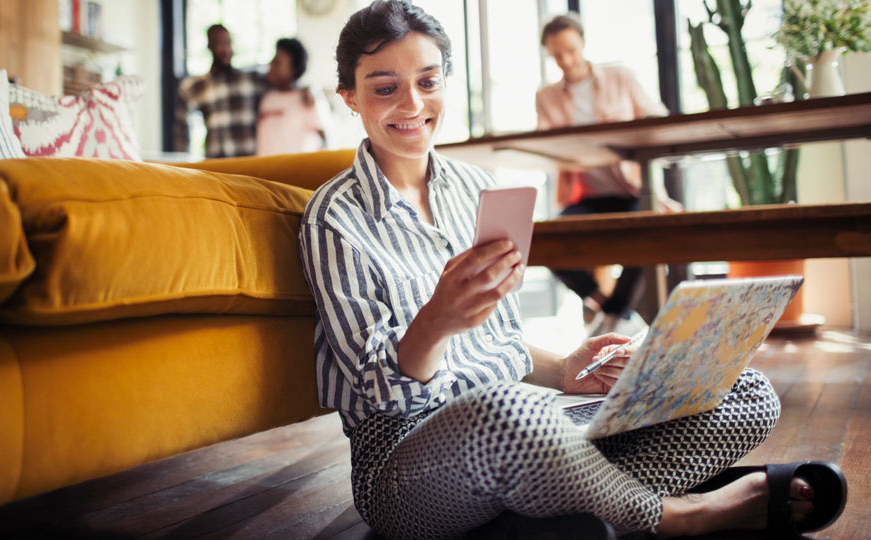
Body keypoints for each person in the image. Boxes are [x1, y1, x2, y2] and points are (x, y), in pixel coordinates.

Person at [298, 1, 843, 539]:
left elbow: (496, 341)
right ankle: (683, 515)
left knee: (743, 389)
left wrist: (564, 371)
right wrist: (436, 320)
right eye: (385, 87)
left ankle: (559, 510)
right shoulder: (334, 217)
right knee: (506, 413)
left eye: (429, 80)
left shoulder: (473, 188)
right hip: (406, 467)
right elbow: (381, 396)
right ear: (350, 96)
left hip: (526, 436)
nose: (412, 103)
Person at [536, 13, 682, 337]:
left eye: (571, 50)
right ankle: (613, 308)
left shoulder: (620, 77)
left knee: (647, 229)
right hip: (586, 196)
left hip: (633, 192)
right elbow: (546, 148)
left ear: (583, 43)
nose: (566, 60)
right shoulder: (546, 97)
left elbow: (658, 119)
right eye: (557, 55)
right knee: (541, 240)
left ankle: (615, 314)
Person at [174, 24, 266, 158]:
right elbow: (181, 129)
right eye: (219, 43)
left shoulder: (252, 80)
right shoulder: (195, 86)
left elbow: (286, 83)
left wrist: (303, 91)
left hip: (250, 161)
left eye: (228, 42)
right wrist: (181, 164)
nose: (226, 49)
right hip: (217, 161)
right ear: (209, 46)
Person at [256, 38, 330, 156]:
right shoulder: (266, 98)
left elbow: (326, 139)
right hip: (265, 171)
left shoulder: (308, 99)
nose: (271, 64)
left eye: (277, 62)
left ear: (293, 70)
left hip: (297, 171)